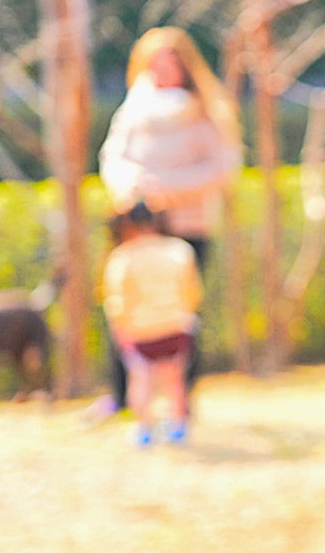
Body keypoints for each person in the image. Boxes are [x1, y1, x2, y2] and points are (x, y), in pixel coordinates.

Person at [92, 27, 242, 420]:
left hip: (188, 225)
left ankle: (181, 400)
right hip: (137, 227)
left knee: (183, 316)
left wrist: (169, 189)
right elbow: (113, 157)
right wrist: (134, 188)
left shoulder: (203, 110)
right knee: (123, 307)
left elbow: (222, 168)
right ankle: (122, 396)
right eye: (156, 62)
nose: (163, 70)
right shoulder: (133, 110)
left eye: (171, 62)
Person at [102, 203, 203, 446]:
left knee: (141, 381)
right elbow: (193, 292)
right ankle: (178, 428)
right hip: (176, 328)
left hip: (140, 331)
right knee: (175, 380)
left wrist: (120, 328)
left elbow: (116, 300)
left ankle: (145, 429)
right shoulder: (180, 250)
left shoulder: (122, 257)